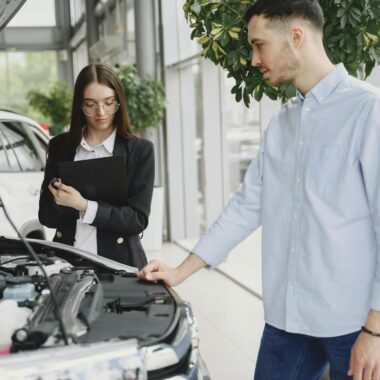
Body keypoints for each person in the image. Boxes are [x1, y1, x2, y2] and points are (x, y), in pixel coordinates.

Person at [138, 1, 380, 379]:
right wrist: (181, 271)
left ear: (296, 36)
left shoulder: (367, 111)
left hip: (353, 322)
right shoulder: (283, 123)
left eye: (258, 44)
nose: (253, 59)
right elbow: (247, 205)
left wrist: (375, 329)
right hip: (288, 317)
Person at [39, 64, 154, 269]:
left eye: (109, 103)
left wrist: (83, 205)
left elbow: (137, 219)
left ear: (118, 102)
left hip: (119, 265)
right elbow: (46, 216)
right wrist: (60, 200)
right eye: (90, 104)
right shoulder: (60, 147)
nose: (101, 112)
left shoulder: (140, 150)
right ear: (80, 106)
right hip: (67, 265)